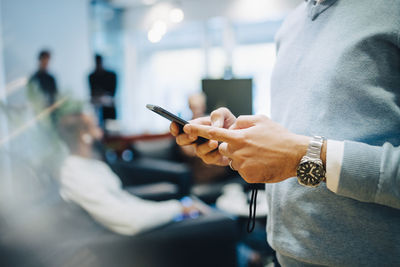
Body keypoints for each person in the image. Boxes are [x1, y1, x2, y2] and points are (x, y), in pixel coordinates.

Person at [171, 0, 400, 266]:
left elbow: (300, 151)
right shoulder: (291, 25)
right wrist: (240, 142)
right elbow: (296, 137)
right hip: (285, 256)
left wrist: (307, 157)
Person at [57, 108, 196, 236]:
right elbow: (130, 221)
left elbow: (128, 203)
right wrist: (177, 209)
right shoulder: (75, 174)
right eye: (95, 127)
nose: (101, 133)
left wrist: (178, 207)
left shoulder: (93, 165)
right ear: (84, 135)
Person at [88, 54, 117, 124]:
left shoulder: (111, 75)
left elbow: (113, 93)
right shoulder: (92, 77)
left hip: (110, 110)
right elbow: (92, 93)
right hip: (97, 109)